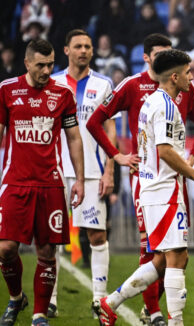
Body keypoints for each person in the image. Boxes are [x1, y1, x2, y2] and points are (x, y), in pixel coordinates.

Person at [87, 33, 194, 326]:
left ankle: (110, 301)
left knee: (164, 258)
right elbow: (165, 151)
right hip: (162, 188)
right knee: (176, 256)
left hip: (156, 185)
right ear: (175, 75)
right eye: (189, 72)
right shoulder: (160, 102)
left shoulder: (155, 100)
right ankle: (168, 319)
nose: (192, 77)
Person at [0, 39, 85, 326]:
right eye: (40, 65)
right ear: (26, 63)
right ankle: (16, 298)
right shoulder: (7, 90)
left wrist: (80, 179)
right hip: (15, 182)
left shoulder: (63, 94)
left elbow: (73, 138)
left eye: (50, 64)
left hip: (50, 184)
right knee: (5, 248)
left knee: (47, 251)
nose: (47, 70)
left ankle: (39, 314)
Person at [48, 29, 117, 318]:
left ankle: (99, 299)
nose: (84, 50)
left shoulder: (104, 84)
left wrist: (110, 170)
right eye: (78, 46)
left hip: (93, 171)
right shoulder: (52, 82)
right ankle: (49, 299)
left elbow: (111, 127)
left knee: (97, 236)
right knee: (51, 238)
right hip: (56, 170)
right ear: (66, 50)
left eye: (88, 46)